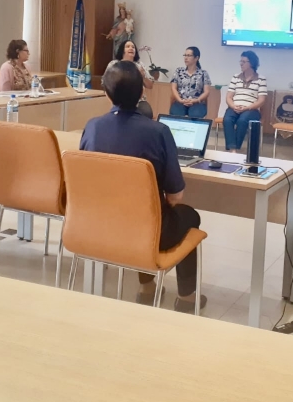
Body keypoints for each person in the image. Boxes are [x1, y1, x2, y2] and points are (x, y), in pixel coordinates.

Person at [80, 61, 206, 312]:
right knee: (189, 216)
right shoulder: (158, 132)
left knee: (141, 215)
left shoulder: (92, 127)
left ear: (106, 93)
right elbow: (175, 196)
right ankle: (187, 297)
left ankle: (147, 288)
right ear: (141, 93)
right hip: (146, 232)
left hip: (96, 226)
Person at [223, 50, 267, 153]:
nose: (241, 64)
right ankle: (233, 149)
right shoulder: (236, 77)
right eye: (240, 61)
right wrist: (233, 106)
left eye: (244, 61)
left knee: (242, 121)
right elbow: (229, 97)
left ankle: (235, 148)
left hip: (251, 109)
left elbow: (262, 100)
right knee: (227, 119)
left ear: (252, 63)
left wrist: (247, 108)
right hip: (235, 107)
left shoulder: (261, 79)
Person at [106, 40, 154, 118]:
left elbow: (150, 86)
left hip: (139, 100)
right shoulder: (114, 64)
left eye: (133, 47)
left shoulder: (140, 65)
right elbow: (106, 83)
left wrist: (143, 76)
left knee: (147, 112)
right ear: (122, 50)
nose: (131, 48)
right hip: (118, 100)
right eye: (128, 46)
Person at [169, 47, 211, 119]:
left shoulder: (203, 73)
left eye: (189, 55)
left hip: (197, 102)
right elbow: (173, 88)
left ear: (196, 58)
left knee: (195, 115)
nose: (186, 58)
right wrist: (180, 100)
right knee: (177, 114)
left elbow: (207, 92)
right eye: (185, 55)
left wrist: (196, 100)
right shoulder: (179, 71)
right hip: (180, 101)